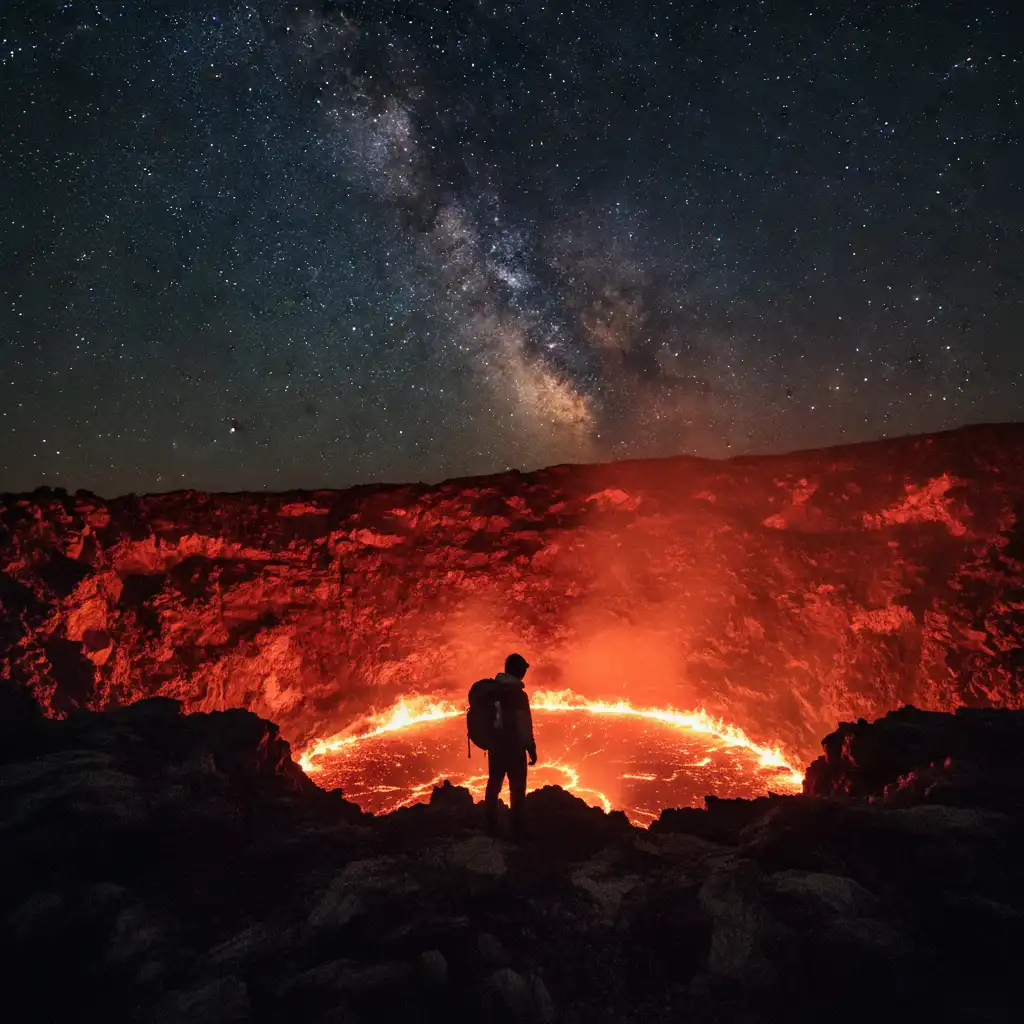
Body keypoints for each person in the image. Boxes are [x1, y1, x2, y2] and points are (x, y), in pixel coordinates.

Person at [480, 653, 537, 838]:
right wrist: (531, 747)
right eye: (523, 669)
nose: (525, 673)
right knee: (517, 789)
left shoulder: (493, 691)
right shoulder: (518, 695)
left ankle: (490, 827)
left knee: (494, 785)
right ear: (518, 670)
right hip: (514, 749)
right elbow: (524, 723)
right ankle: (517, 832)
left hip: (496, 747)